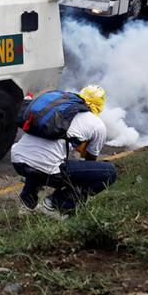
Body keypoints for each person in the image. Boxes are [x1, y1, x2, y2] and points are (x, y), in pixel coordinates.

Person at [11, 85, 117, 219]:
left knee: (40, 159)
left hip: (18, 160)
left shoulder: (57, 108)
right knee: (109, 172)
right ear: (100, 106)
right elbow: (90, 162)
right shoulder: (97, 125)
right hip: (46, 169)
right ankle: (53, 204)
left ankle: (26, 204)